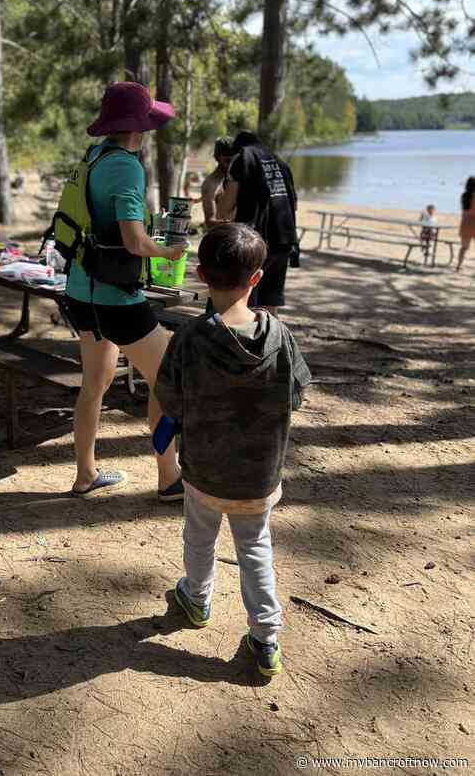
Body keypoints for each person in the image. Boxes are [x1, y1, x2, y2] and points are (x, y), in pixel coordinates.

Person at [155, 223, 311, 678]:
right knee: (255, 548)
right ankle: (266, 637)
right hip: (259, 474)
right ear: (257, 278)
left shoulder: (189, 338)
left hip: (204, 471)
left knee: (199, 538)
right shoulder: (280, 336)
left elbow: (170, 399)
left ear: (201, 274)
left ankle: (196, 598)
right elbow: (297, 394)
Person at [62, 82, 186, 500]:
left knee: (93, 384)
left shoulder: (93, 156)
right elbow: (134, 241)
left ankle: (85, 474)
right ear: (138, 126)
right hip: (115, 298)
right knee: (167, 377)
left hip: (81, 292)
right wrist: (167, 252)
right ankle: (169, 478)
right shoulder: (126, 167)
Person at [216, 131, 298, 317]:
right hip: (284, 239)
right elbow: (294, 205)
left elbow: (224, 211)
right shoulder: (279, 162)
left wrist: (221, 194)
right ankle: (272, 335)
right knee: (270, 305)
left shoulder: (241, 159)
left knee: (247, 304)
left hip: (254, 242)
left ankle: (248, 336)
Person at [200, 137, 237, 230]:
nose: (230, 165)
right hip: (223, 236)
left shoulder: (236, 180)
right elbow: (210, 222)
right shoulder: (210, 184)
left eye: (233, 161)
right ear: (218, 159)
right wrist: (238, 224)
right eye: (227, 161)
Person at [457, 176, 475, 272]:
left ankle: (458, 266)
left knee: (464, 247)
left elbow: (464, 209)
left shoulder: (464, 196)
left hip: (465, 223)